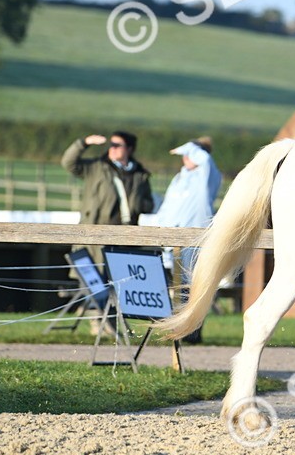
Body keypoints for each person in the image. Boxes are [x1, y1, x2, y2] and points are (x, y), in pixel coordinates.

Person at [154, 137, 222, 344]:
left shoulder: (207, 175)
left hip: (195, 238)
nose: (185, 157)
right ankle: (177, 328)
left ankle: (192, 331)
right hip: (173, 239)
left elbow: (204, 158)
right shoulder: (179, 178)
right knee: (175, 284)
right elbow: (168, 206)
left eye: (189, 153)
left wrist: (189, 147)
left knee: (192, 285)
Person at [62, 131, 154, 268]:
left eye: (117, 145)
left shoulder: (140, 175)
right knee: (93, 282)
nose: (113, 148)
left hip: (125, 236)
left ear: (129, 149)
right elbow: (68, 163)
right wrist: (84, 143)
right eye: (111, 144)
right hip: (96, 234)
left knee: (121, 281)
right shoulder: (97, 167)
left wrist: (139, 204)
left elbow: (149, 204)